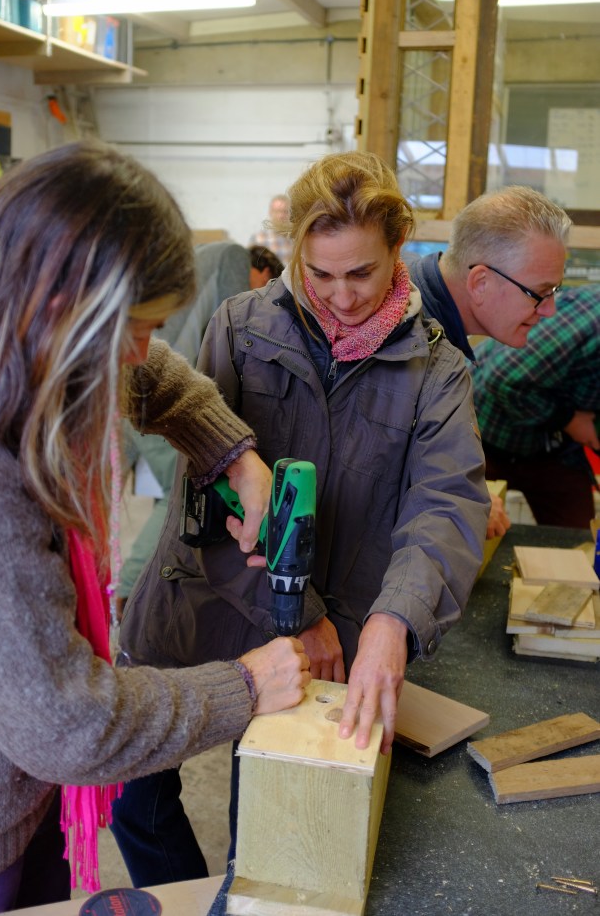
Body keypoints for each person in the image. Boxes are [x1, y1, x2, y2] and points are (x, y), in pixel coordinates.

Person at [0, 140, 311, 914]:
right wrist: (246, 686)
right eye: (133, 327)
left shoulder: (1, 338)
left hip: (17, 783)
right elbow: (66, 724)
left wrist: (232, 453)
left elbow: (156, 373)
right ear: (58, 313)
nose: (141, 353)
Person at [114, 150, 490, 887]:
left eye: (362, 274)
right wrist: (296, 612)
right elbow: (207, 500)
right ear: (294, 257)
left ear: (398, 251)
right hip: (205, 604)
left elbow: (445, 505)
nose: (341, 298)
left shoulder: (437, 371)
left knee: (267, 828)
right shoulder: (240, 326)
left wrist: (395, 620)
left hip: (335, 631)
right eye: (320, 275)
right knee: (136, 804)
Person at [404, 185, 571, 538]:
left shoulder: (433, 324)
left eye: (554, 292)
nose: (550, 310)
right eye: (539, 293)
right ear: (480, 282)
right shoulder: (409, 341)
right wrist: (466, 501)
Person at [117, 240, 252, 620]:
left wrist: (235, 450)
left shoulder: (136, 360)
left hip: (159, 401)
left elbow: (150, 367)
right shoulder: (233, 259)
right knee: (175, 496)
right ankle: (127, 596)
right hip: (145, 410)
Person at [472, 285, 599, 528]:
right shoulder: (591, 318)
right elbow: (504, 379)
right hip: (486, 436)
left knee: (579, 538)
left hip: (551, 449)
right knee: (472, 532)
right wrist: (571, 421)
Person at [248, 193, 292, 264]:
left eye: (285, 211)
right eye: (277, 211)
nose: (281, 215)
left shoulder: (297, 239)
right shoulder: (258, 239)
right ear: (270, 212)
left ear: (291, 213)